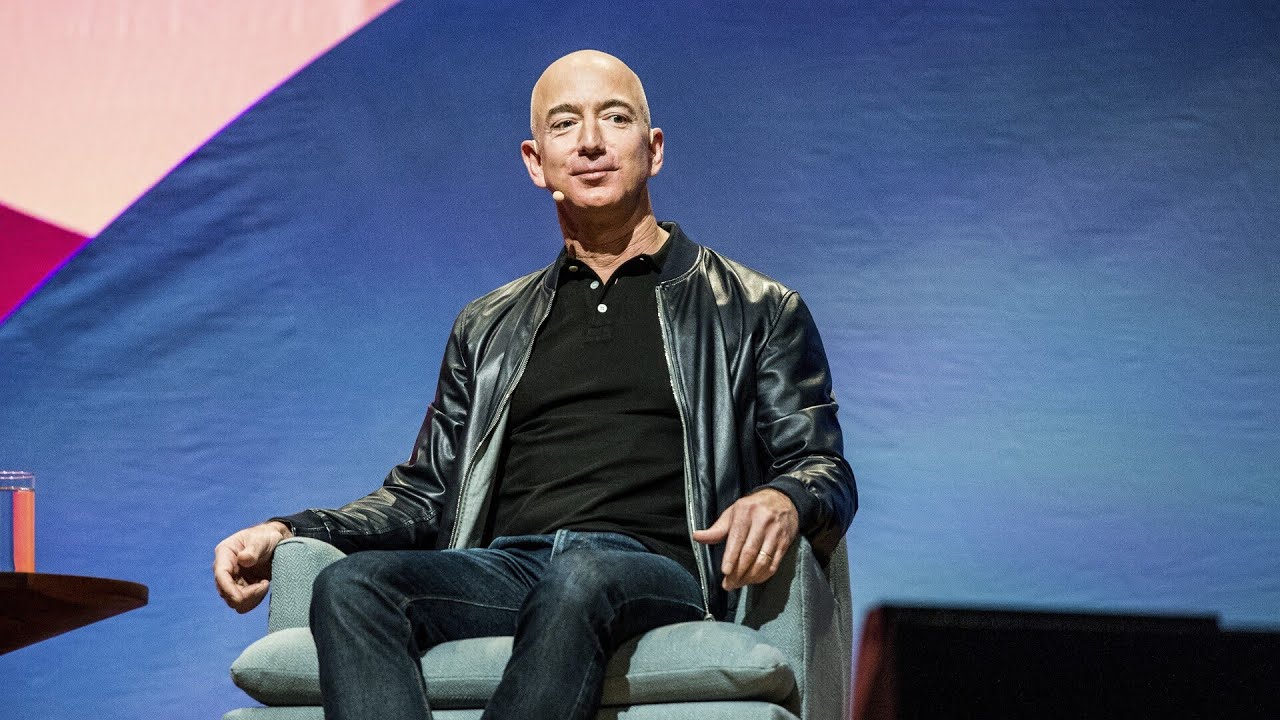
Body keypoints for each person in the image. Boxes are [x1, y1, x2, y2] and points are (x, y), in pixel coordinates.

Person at [213, 49, 856, 720]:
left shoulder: (754, 308)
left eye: (615, 118)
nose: (591, 141)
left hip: (652, 568)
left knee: (581, 576)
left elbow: (821, 466)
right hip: (511, 567)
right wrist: (289, 529)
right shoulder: (489, 324)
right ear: (535, 160)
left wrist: (785, 497)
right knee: (352, 587)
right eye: (564, 123)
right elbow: (423, 493)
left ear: (654, 149)